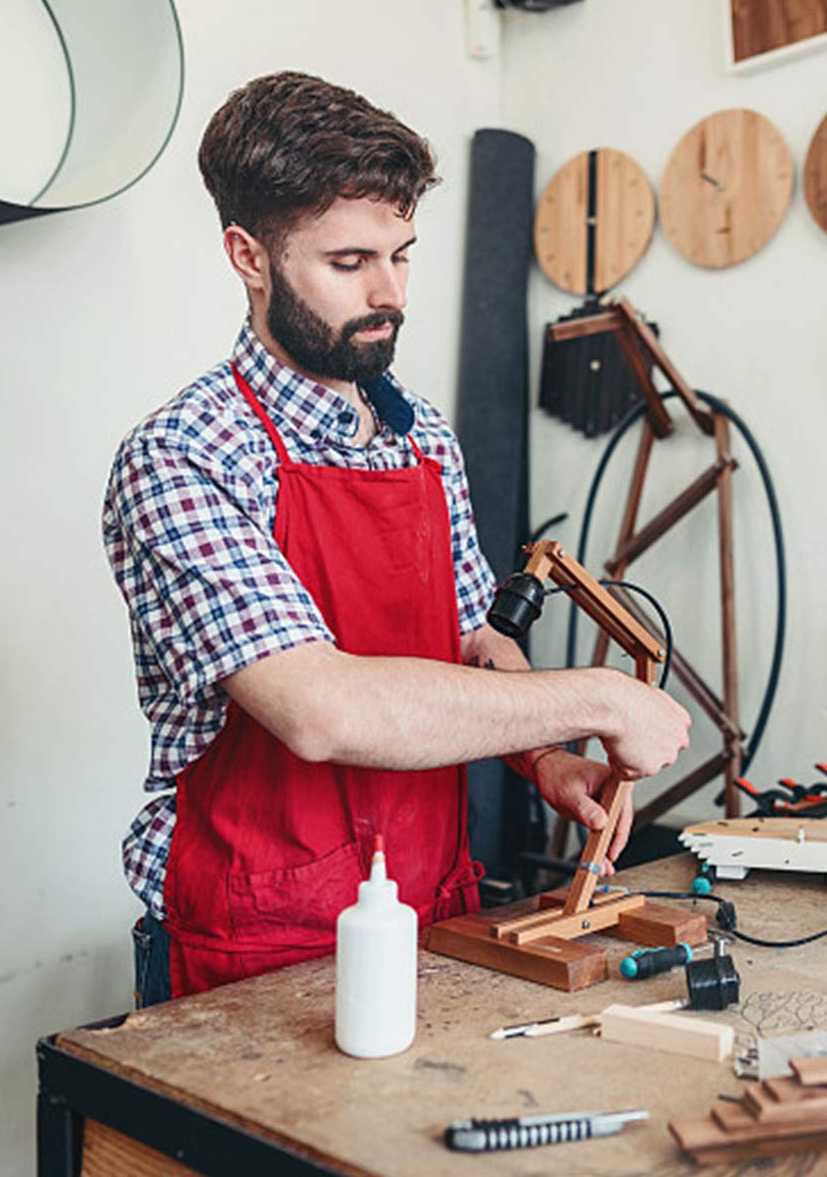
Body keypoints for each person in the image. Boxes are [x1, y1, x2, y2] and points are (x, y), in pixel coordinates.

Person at [103, 71, 691, 1006]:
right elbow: (321, 711)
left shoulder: (422, 437)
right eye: (348, 264)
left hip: (429, 905)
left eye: (403, 255)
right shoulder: (185, 455)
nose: (389, 294)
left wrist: (544, 757)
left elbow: (470, 639)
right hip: (257, 939)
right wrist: (598, 698)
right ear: (248, 255)